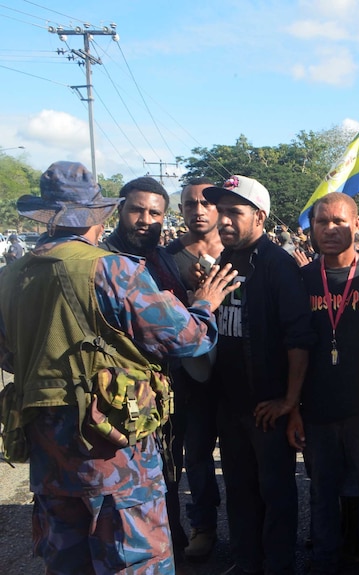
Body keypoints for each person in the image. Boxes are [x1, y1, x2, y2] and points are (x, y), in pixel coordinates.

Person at [0, 161, 238, 574]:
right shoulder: (111, 270)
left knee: (69, 561)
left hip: (46, 449)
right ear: (101, 214)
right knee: (135, 559)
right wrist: (204, 304)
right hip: (110, 449)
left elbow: (8, 355)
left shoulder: (10, 275)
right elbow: (187, 338)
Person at [203, 174, 315, 575]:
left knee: (275, 494)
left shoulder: (279, 266)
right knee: (238, 491)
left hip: (267, 407)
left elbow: (298, 339)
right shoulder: (223, 262)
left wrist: (289, 400)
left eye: (235, 212)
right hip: (230, 405)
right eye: (222, 212)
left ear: (260, 217)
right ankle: (247, 561)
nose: (224, 221)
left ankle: (279, 565)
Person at [101, 176, 201, 563]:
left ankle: (171, 540)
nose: (145, 219)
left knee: (169, 474)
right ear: (119, 210)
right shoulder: (103, 262)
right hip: (121, 402)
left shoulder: (163, 260)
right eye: (137, 210)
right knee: (127, 502)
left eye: (154, 212)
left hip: (165, 394)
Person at [293, 192, 359, 574]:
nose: (330, 229)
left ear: (357, 224)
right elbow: (292, 348)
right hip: (316, 410)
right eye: (322, 222)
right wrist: (293, 409)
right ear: (311, 228)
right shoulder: (300, 279)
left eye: (340, 222)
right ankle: (324, 562)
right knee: (321, 494)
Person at [165, 177, 224, 561]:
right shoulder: (166, 258)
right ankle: (202, 528)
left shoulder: (237, 251)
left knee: (238, 459)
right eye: (189, 203)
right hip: (186, 374)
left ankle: (253, 530)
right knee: (193, 454)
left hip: (234, 373)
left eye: (205, 202)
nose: (198, 209)